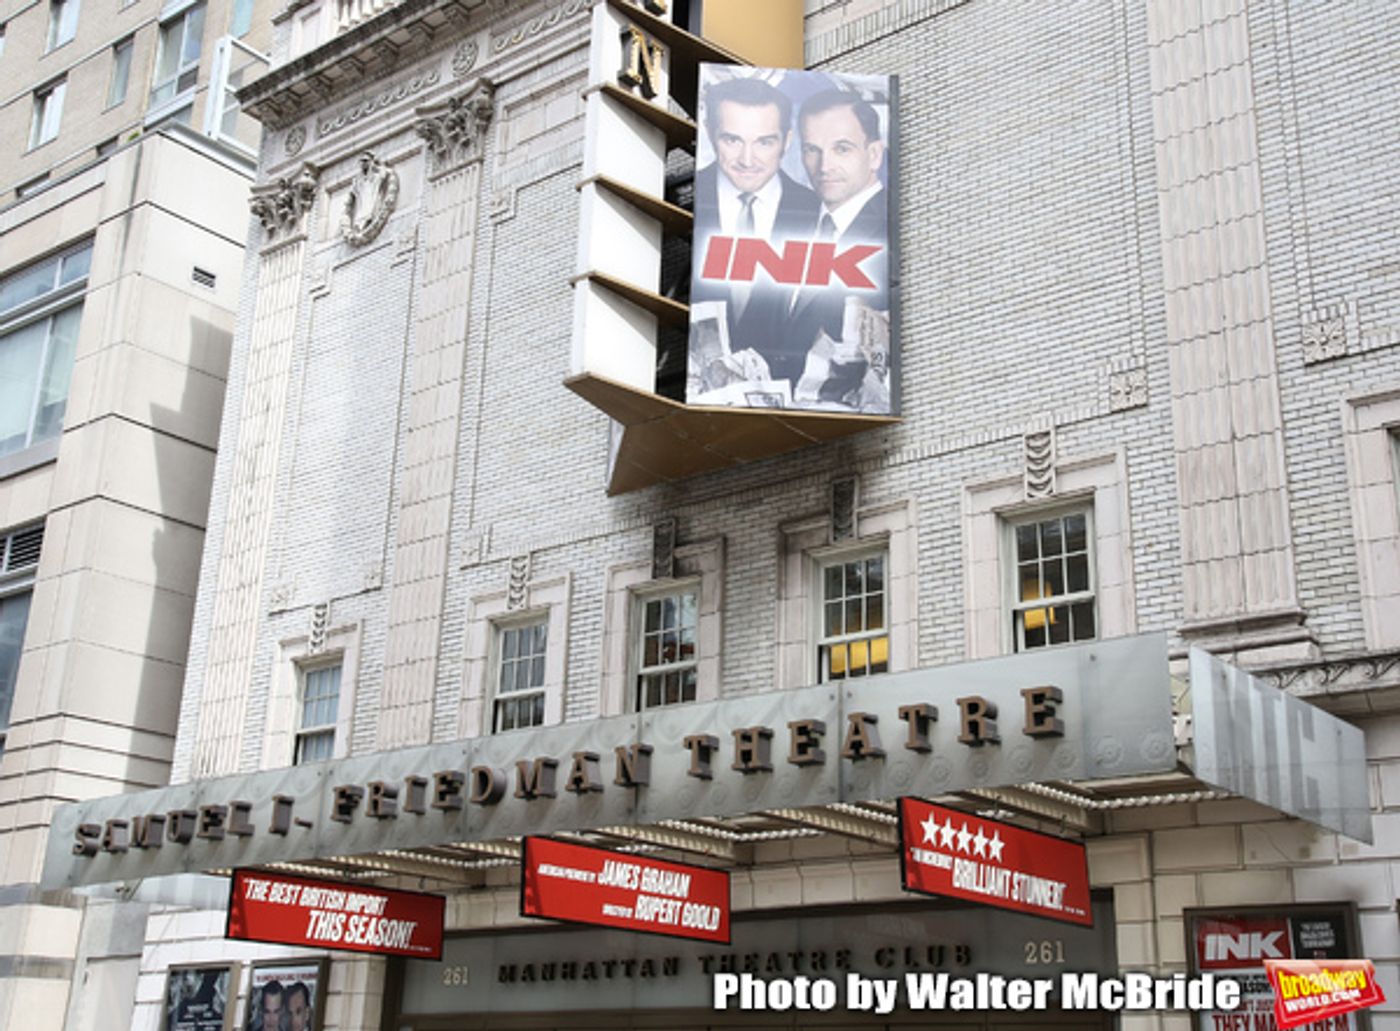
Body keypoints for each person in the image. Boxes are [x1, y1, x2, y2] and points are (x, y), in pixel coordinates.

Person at [688, 76, 821, 398]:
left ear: (787, 140)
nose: (748, 159)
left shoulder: (818, 210)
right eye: (732, 140)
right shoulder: (683, 200)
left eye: (764, 142)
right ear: (709, 134)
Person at [782, 89, 892, 407]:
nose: (824, 166)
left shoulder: (890, 223)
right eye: (812, 150)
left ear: (873, 154)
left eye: (841, 148)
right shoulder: (788, 225)